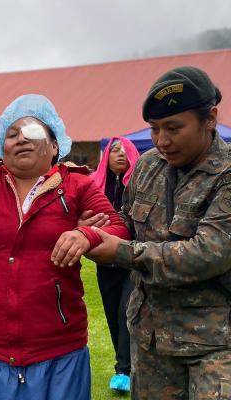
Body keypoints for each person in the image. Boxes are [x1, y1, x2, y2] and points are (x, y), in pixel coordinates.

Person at [0, 94, 130, 400]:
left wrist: (87, 235)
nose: (20, 140)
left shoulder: (78, 186)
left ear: (55, 145)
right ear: (0, 146)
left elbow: (118, 228)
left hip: (60, 348)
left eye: (32, 132)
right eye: (11, 134)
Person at [86, 66, 231, 399]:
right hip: (152, 337)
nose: (162, 140)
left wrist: (121, 251)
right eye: (155, 129)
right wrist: (98, 228)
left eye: (174, 128)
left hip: (218, 344)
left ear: (210, 118)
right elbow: (128, 220)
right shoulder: (147, 166)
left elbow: (208, 253)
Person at [90, 137, 140, 392]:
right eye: (114, 150)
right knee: (112, 313)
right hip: (105, 261)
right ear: (106, 157)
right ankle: (124, 365)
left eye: (125, 150)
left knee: (125, 311)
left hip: (132, 259)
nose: (120, 154)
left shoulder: (139, 186)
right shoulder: (95, 187)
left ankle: (124, 371)